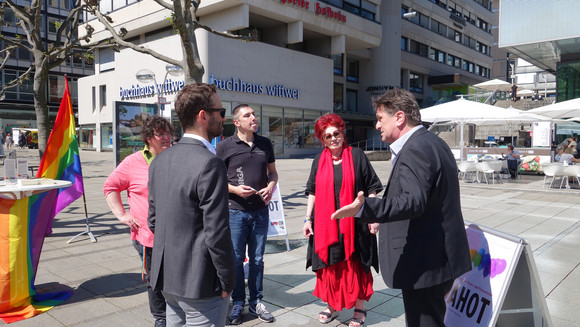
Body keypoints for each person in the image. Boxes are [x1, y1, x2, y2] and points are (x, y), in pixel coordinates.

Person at [332, 88, 472, 327]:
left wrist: (366, 209)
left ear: (399, 117)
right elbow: (425, 197)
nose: (376, 126)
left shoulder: (415, 148)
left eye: (379, 119)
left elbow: (413, 200)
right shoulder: (432, 142)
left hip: (425, 262)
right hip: (437, 257)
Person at [148, 83, 235, 327]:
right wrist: (227, 279)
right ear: (203, 115)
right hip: (201, 284)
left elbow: (154, 221)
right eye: (220, 111)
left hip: (168, 279)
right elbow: (216, 232)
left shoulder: (159, 160)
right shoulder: (210, 163)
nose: (223, 117)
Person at [302, 114, 382, 327]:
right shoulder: (319, 160)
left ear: (342, 132)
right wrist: (307, 219)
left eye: (336, 133)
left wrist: (373, 217)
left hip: (354, 223)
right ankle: (333, 305)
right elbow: (313, 191)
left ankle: (359, 306)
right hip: (326, 224)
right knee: (330, 265)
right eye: (327, 136)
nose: (333, 139)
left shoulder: (357, 155)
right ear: (323, 139)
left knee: (353, 265)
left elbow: (373, 187)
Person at [103, 115, 173, 327]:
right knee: (155, 280)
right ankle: (160, 317)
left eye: (168, 132)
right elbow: (110, 186)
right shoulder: (133, 162)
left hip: (177, 233)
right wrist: (122, 215)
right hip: (148, 236)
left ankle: (176, 313)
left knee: (175, 278)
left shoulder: (175, 157)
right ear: (148, 138)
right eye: (160, 134)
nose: (166, 137)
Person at [216, 104, 278, 325]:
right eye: (248, 115)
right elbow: (217, 179)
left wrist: (270, 187)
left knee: (258, 259)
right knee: (235, 259)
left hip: (260, 211)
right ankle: (238, 301)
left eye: (254, 114)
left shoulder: (264, 143)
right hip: (235, 212)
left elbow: (272, 173)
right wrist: (234, 190)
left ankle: (256, 301)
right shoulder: (224, 147)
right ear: (237, 122)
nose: (253, 118)